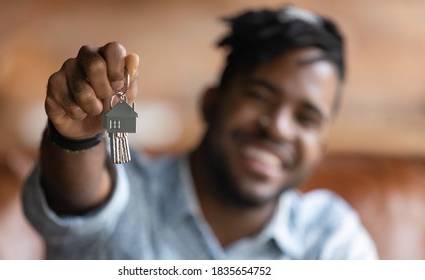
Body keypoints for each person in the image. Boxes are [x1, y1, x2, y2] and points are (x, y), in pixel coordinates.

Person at [23, 5, 378, 259]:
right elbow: (81, 199)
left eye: (306, 118)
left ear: (322, 146)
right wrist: (77, 138)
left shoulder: (331, 238)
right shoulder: (131, 192)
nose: (279, 129)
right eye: (259, 97)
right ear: (210, 102)